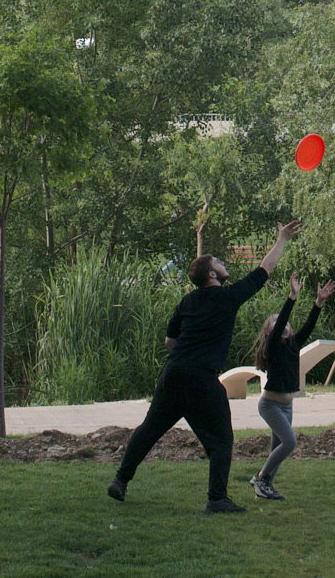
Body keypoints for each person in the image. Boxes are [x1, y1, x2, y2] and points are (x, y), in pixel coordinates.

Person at [108, 220, 302, 513]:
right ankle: (217, 499)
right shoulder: (228, 297)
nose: (223, 264)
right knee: (222, 441)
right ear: (212, 274)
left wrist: (187, 356)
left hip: (173, 373)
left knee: (149, 430)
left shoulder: (187, 301)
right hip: (202, 379)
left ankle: (120, 481)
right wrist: (282, 239)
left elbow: (169, 341)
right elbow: (265, 270)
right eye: (218, 262)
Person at [248, 272, 335, 500]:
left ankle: (264, 489)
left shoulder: (293, 344)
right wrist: (292, 297)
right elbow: (280, 324)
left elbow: (309, 325)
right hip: (270, 405)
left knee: (276, 448)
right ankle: (261, 478)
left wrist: (319, 302)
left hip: (287, 407)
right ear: (270, 331)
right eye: (277, 321)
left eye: (286, 321)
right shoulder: (272, 346)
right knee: (290, 442)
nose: (284, 323)